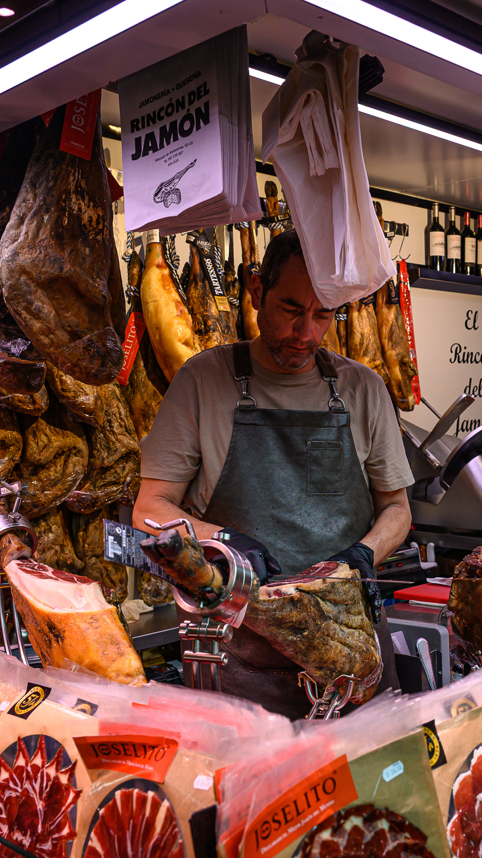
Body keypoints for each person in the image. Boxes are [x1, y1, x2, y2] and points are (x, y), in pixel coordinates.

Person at [133, 229, 413, 717]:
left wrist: (364, 554)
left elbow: (397, 509)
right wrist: (223, 540)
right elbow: (148, 509)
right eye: (290, 309)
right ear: (258, 293)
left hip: (352, 650)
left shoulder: (362, 388)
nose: (305, 333)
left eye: (322, 314)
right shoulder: (202, 380)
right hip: (243, 655)